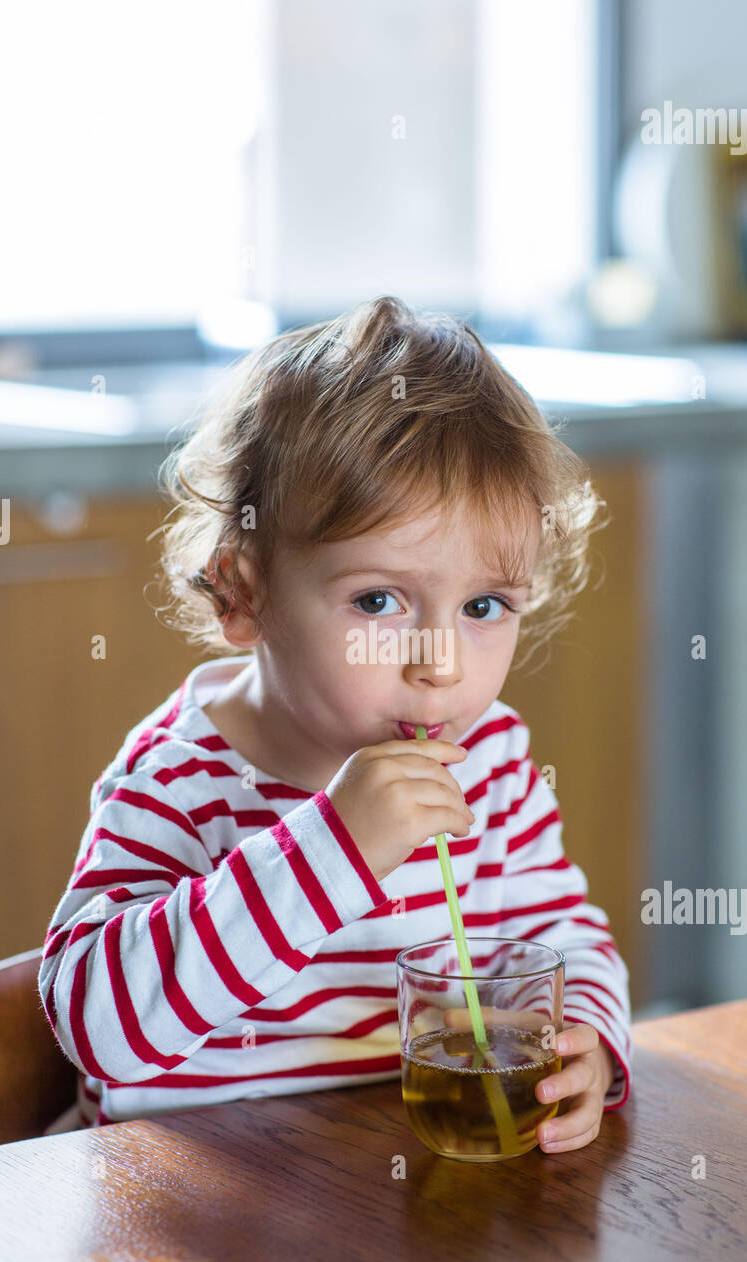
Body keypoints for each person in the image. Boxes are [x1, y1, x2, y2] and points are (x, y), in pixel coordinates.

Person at [39, 294, 631, 1154]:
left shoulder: (491, 760)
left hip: (387, 1209)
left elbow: (558, 935)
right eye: (379, 600)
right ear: (243, 594)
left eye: (483, 604)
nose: (441, 663)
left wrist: (588, 1041)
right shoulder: (178, 778)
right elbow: (100, 1027)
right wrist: (333, 850)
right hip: (189, 1230)